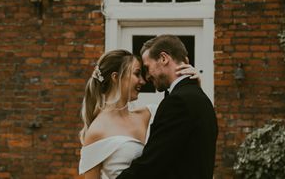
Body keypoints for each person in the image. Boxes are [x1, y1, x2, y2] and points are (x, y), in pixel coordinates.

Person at [78, 48, 200, 179]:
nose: (143, 81)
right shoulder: (96, 132)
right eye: (137, 74)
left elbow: (190, 126)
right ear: (116, 77)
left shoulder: (152, 113)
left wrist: (192, 89)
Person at [117, 35, 218, 179]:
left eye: (147, 67)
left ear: (164, 58)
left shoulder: (178, 102)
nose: (146, 77)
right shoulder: (199, 98)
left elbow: (151, 164)